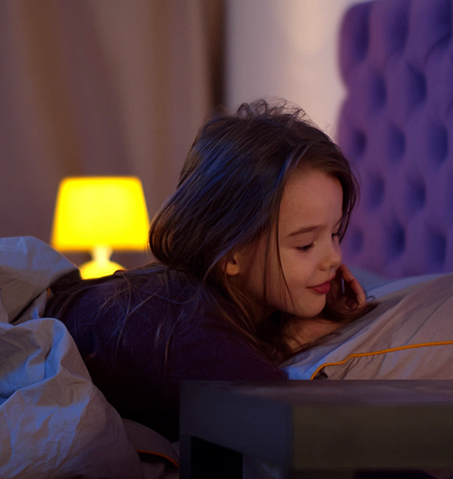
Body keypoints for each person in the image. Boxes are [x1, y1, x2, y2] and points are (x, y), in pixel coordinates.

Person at [44, 100, 374, 441]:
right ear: (230, 254)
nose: (334, 258)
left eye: (335, 234)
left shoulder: (178, 297)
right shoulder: (187, 333)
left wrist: (291, 337)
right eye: (305, 245)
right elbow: (325, 446)